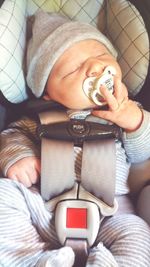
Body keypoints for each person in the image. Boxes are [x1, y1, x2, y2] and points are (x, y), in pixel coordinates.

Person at [0, 11, 150, 267]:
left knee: (138, 235)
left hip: (112, 212)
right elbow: (12, 137)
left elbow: (142, 153)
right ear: (47, 92)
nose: (94, 67)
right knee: (4, 195)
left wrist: (130, 117)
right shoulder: (38, 118)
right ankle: (31, 258)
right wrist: (20, 157)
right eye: (74, 69)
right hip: (44, 208)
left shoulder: (125, 112)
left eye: (102, 57)